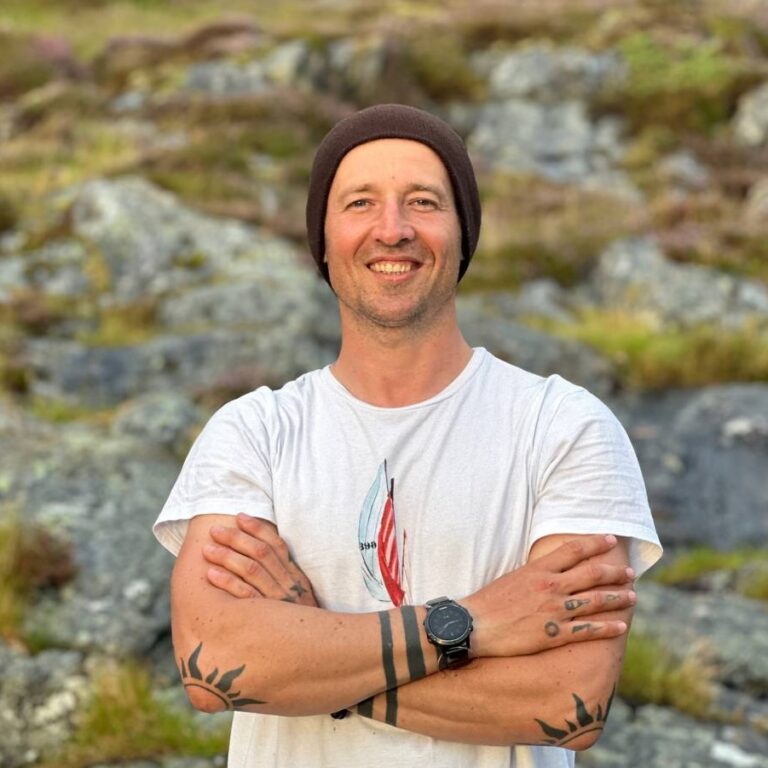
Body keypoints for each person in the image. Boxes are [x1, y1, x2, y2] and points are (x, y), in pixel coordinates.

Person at [153, 103, 662, 768]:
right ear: (323, 240)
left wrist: (311, 661)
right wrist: (468, 624)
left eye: (423, 202)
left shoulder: (564, 427)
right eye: (360, 203)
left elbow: (569, 700)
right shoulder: (255, 432)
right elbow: (215, 664)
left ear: (462, 234)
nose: (392, 230)